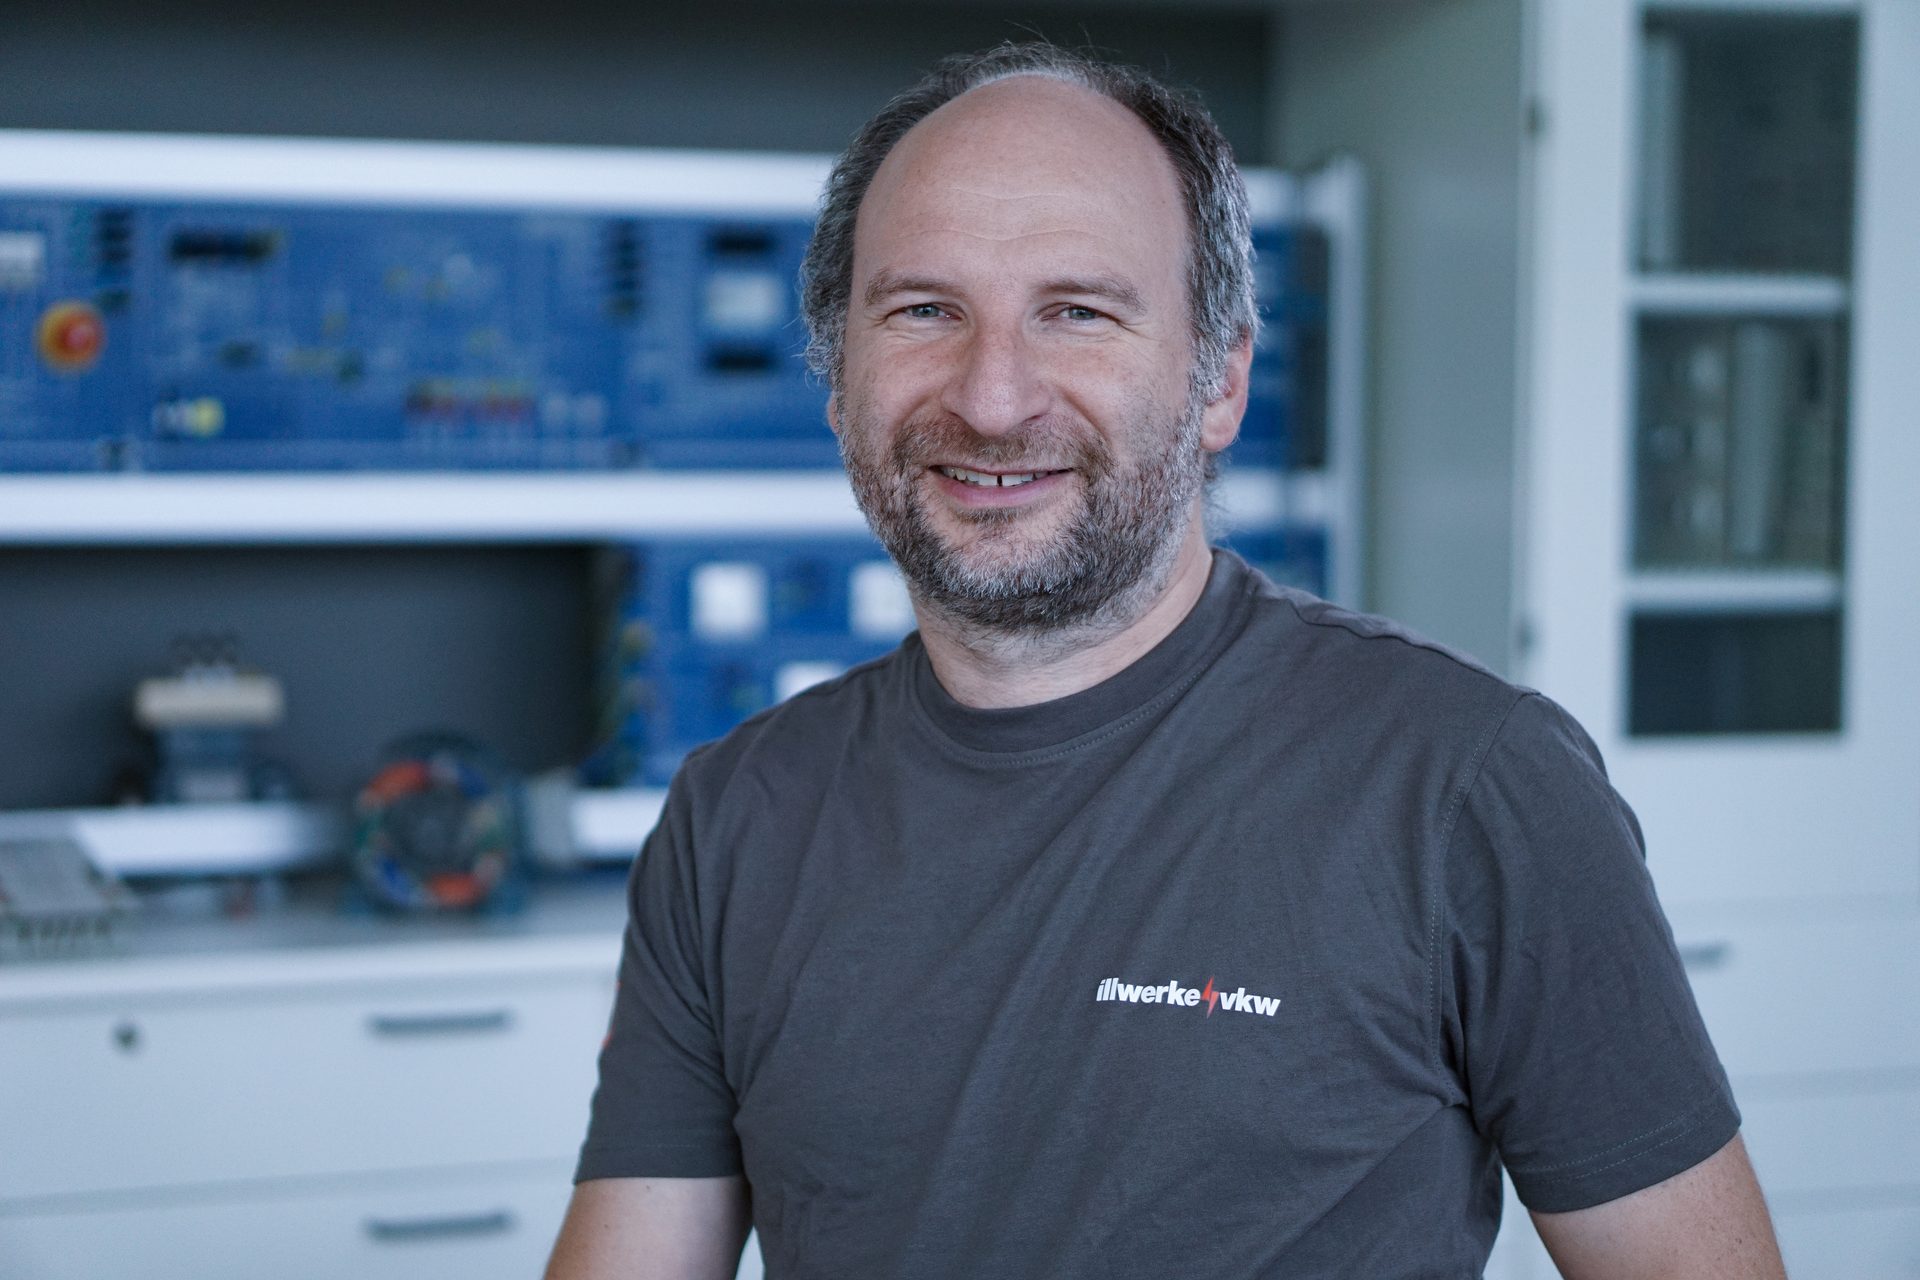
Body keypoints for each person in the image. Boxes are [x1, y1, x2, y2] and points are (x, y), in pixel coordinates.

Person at [546, 43, 1785, 1280]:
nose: (990, 398)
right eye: (924, 310)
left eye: (1077, 312)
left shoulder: (1468, 783)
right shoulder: (735, 815)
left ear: (1220, 382)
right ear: (837, 375)